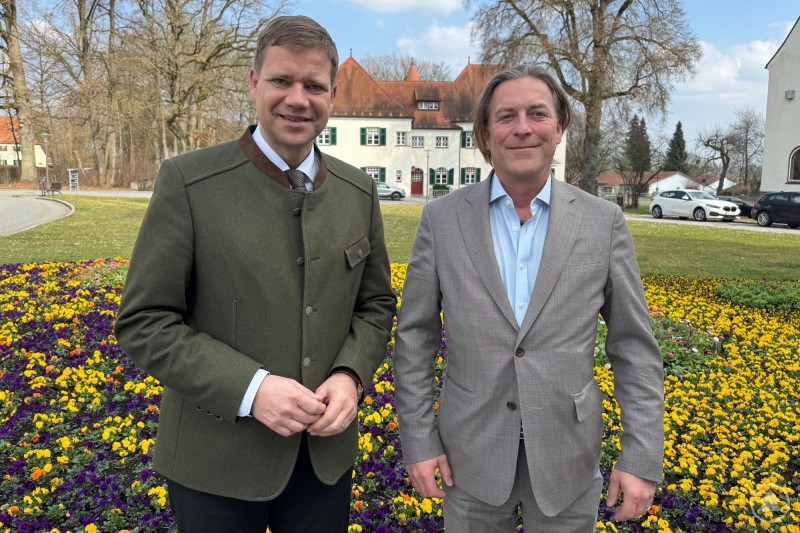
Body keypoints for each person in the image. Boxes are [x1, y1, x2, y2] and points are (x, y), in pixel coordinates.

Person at [114, 15, 396, 533]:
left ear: (333, 95)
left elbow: (375, 306)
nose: (298, 99)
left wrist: (351, 375)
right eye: (281, 80)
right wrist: (252, 389)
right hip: (214, 464)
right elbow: (145, 321)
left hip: (324, 463)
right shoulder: (190, 183)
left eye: (314, 86)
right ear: (253, 82)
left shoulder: (359, 192)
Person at [394, 65, 664, 532]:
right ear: (485, 133)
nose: (522, 128)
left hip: (568, 458)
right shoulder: (442, 220)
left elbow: (634, 347)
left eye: (537, 114)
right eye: (506, 116)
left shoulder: (602, 223)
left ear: (559, 128)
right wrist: (418, 441)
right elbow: (415, 339)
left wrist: (641, 456)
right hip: (469, 458)